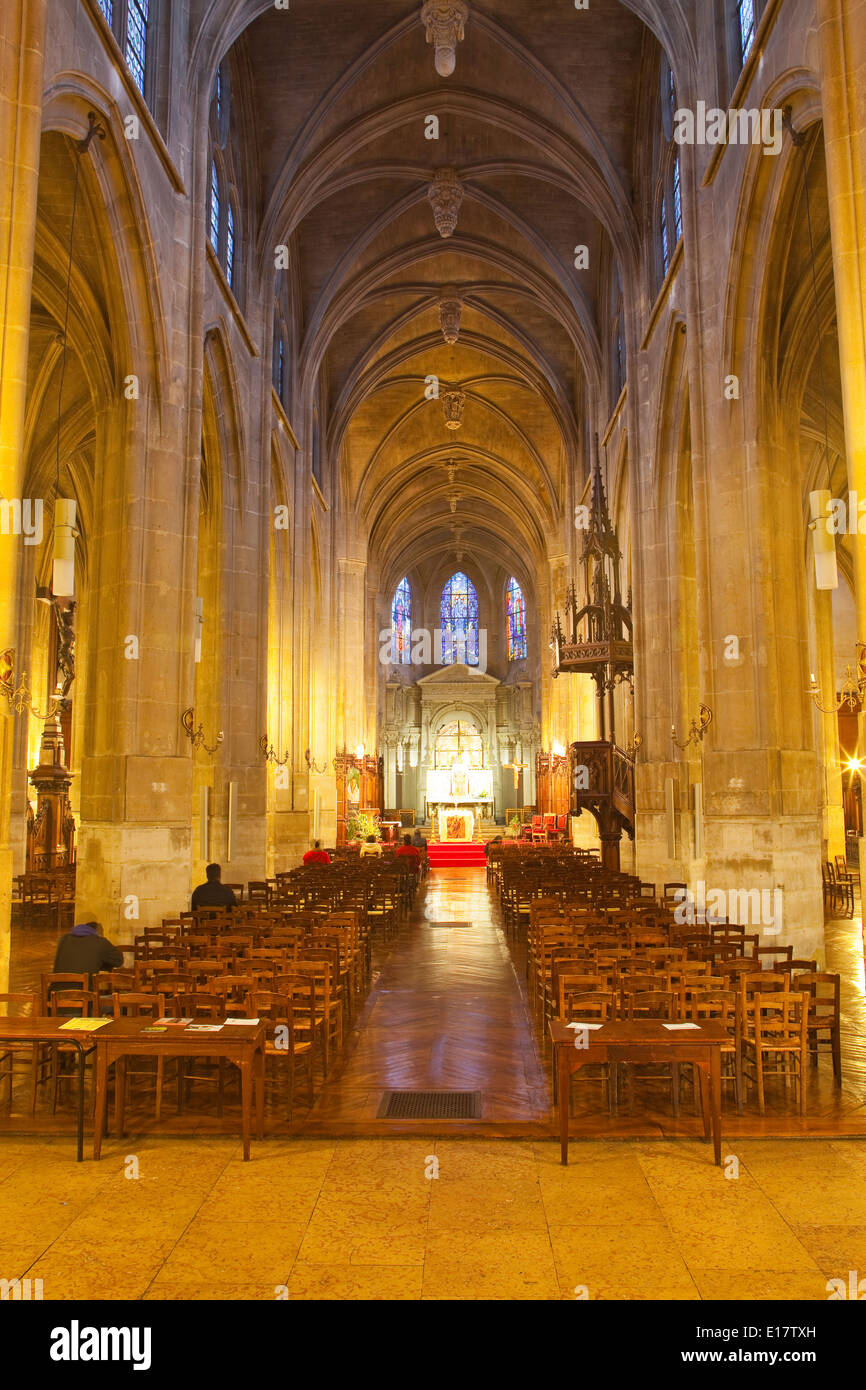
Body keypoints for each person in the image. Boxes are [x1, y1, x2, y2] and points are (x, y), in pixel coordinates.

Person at [52, 917, 124, 984]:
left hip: (55, 992)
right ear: (98, 933)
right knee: (109, 996)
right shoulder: (100, 942)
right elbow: (119, 961)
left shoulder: (64, 939)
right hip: (84, 993)